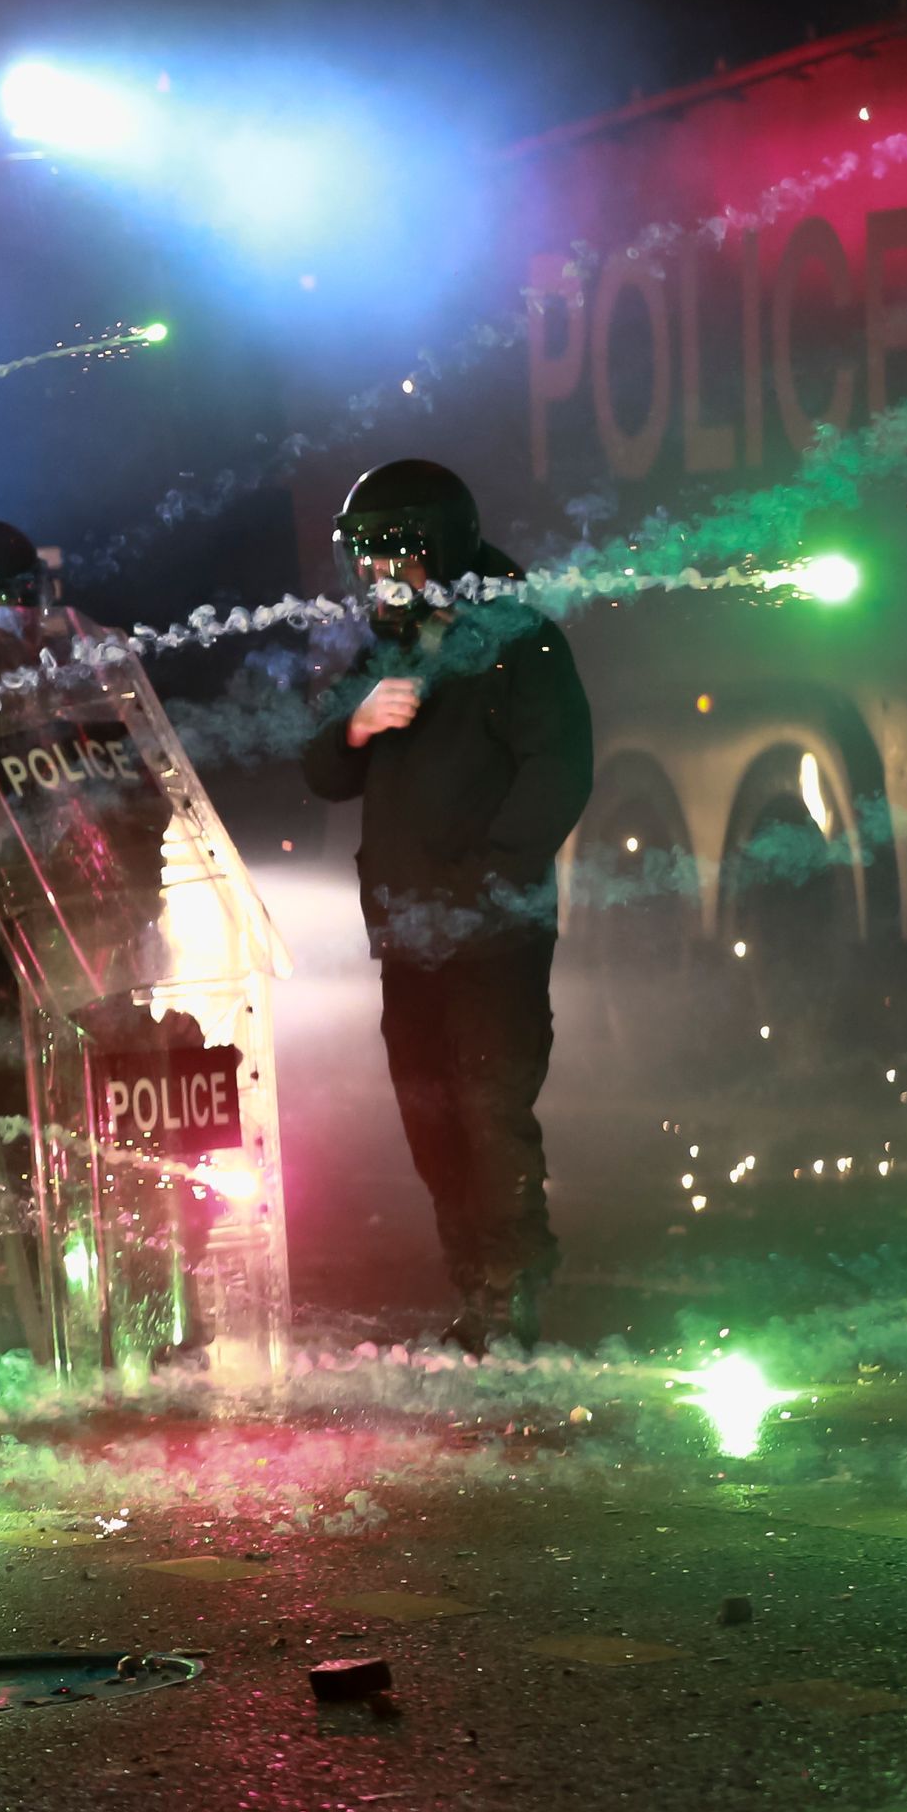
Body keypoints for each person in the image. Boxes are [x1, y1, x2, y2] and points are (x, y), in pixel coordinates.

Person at [300, 461, 592, 1354]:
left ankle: (512, 1294)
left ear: (440, 549)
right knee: (430, 1117)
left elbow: (560, 769)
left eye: (393, 560)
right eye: (363, 563)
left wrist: (492, 878)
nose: (375, 581)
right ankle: (475, 1291)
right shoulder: (388, 646)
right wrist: (356, 724)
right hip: (408, 932)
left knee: (488, 1108)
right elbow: (323, 773)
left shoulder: (518, 640)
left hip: (491, 931)